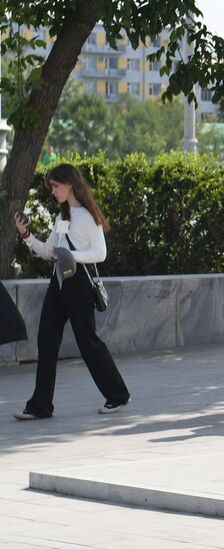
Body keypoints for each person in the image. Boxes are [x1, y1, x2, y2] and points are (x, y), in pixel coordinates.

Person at [12, 163, 130, 420]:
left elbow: (100, 253)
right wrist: (26, 235)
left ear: (70, 184)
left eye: (55, 186)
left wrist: (70, 256)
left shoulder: (87, 217)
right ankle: (40, 406)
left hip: (78, 286)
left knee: (87, 342)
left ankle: (118, 395)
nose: (53, 191)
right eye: (51, 187)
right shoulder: (61, 218)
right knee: (46, 341)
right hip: (58, 284)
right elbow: (48, 251)